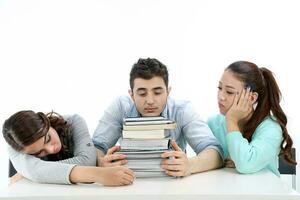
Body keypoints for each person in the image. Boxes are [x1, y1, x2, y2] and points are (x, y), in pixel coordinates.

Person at [92, 58, 223, 177]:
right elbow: (96, 146)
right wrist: (101, 163)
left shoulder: (182, 110)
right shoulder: (120, 107)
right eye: (142, 93)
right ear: (131, 95)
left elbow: (215, 151)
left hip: (172, 185)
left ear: (168, 92)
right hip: (131, 182)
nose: (150, 100)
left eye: (157, 92)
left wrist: (190, 165)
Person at [207, 61, 297, 176]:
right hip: (227, 190)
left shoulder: (271, 128)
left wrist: (232, 121)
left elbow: (245, 164)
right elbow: (206, 159)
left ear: (252, 97)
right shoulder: (213, 123)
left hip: (263, 192)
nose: (221, 97)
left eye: (229, 92)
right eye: (219, 88)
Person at [2, 110, 134, 186]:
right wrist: (98, 173)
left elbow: (88, 160)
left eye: (48, 139)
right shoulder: (16, 145)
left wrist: (30, 172)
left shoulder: (74, 122)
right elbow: (35, 172)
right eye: (38, 153)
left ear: (46, 122)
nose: (51, 149)